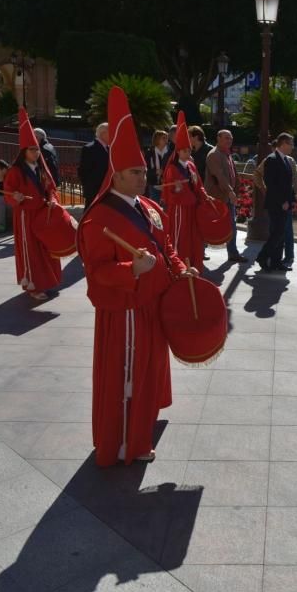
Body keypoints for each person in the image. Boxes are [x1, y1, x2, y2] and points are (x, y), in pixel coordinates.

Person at [78, 86, 197, 467]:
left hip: (152, 303)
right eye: (134, 173)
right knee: (127, 378)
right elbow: (96, 272)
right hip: (126, 311)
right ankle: (124, 443)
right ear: (115, 174)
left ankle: (138, 436)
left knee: (146, 375)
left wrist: (180, 269)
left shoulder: (147, 207)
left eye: (143, 171)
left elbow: (167, 248)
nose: (142, 178)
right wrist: (133, 269)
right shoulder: (99, 219)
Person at [3, 107, 63, 300]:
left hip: (42, 213)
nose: (36, 153)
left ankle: (48, 281)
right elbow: (8, 193)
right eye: (32, 149)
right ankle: (33, 286)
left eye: (37, 149)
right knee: (31, 251)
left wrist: (53, 200)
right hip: (25, 216)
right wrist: (15, 197)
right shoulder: (15, 171)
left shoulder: (41, 168)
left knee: (47, 249)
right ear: (24, 151)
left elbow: (51, 189)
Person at [162, 115, 210, 273]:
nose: (187, 152)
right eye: (184, 150)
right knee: (179, 237)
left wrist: (204, 196)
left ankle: (193, 265)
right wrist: (176, 189)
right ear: (178, 151)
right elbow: (171, 191)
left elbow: (198, 184)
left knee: (193, 238)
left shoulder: (191, 165)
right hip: (180, 209)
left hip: (192, 206)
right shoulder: (172, 168)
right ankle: (177, 267)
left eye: (189, 149)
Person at [205, 129, 246, 262]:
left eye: (230, 138)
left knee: (231, 225)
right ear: (218, 138)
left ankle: (233, 253)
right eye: (226, 138)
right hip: (216, 198)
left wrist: (236, 190)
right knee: (209, 225)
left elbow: (233, 174)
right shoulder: (214, 155)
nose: (229, 140)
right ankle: (199, 250)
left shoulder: (227, 154)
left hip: (227, 198)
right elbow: (219, 177)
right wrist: (230, 191)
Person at [256, 133, 295, 272]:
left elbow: (287, 184)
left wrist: (289, 201)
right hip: (276, 204)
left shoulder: (285, 159)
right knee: (277, 233)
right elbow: (271, 184)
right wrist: (282, 202)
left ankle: (276, 262)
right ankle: (262, 257)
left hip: (285, 204)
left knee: (281, 234)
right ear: (283, 143)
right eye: (291, 144)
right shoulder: (272, 159)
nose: (292, 147)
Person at [78, 122, 109, 207]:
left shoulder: (109, 148)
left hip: (106, 190)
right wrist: (89, 187)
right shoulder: (89, 148)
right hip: (94, 191)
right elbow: (83, 171)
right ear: (103, 134)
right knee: (90, 213)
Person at [143, 130, 170, 200]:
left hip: (167, 185)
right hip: (154, 186)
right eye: (163, 138)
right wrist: (155, 172)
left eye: (167, 138)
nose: (166, 140)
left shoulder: (170, 153)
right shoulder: (149, 153)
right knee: (155, 207)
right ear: (157, 139)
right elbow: (145, 170)